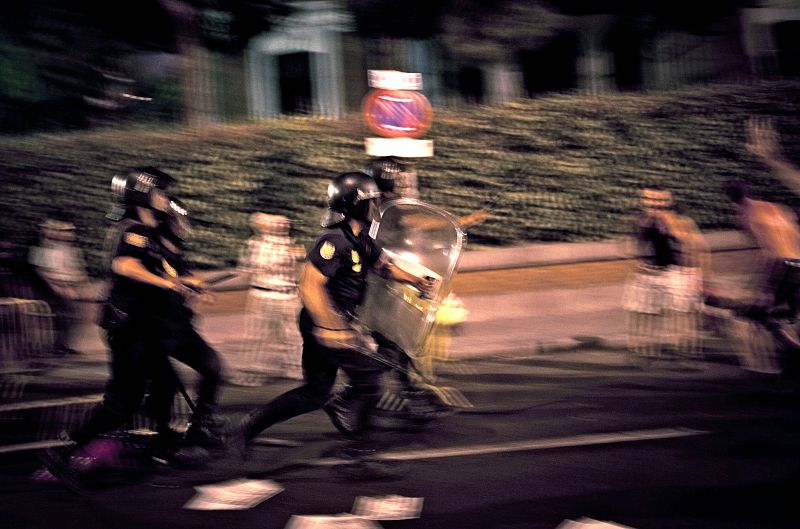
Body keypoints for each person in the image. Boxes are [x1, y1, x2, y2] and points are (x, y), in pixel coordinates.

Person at [227, 171, 434, 454]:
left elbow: (383, 266)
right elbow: (310, 284)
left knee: (315, 392)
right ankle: (360, 454)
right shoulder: (335, 241)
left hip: (332, 322)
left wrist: (416, 279)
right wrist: (330, 326)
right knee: (370, 379)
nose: (376, 207)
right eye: (371, 201)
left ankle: (248, 425)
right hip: (322, 321)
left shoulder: (362, 239)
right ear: (355, 205)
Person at [37, 168, 213, 487]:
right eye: (159, 192)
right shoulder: (133, 229)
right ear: (141, 195)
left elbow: (161, 271)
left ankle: (162, 442)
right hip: (130, 329)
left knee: (164, 384)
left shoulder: (149, 231)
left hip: (145, 327)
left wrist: (186, 283)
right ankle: (65, 451)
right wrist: (168, 284)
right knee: (123, 400)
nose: (164, 198)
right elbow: (125, 266)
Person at [621, 187, 708, 361]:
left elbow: (694, 245)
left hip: (677, 272)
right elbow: (631, 245)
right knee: (643, 311)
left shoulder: (679, 222)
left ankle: (686, 347)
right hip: (652, 273)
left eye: (661, 204)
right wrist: (637, 262)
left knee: (681, 312)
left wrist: (695, 271)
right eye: (652, 203)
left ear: (669, 204)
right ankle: (643, 347)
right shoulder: (640, 223)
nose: (656, 208)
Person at [722, 179, 800, 357]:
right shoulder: (776, 208)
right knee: (791, 310)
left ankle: (793, 348)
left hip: (783, 266)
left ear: (730, 198)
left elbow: (769, 253)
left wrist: (763, 287)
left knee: (757, 312)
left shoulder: (746, 217)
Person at [233, 212, 305, 384]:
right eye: (275, 223)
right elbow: (247, 270)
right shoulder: (255, 244)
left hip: (287, 295)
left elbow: (300, 270)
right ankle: (249, 372)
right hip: (262, 294)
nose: (281, 226)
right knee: (256, 335)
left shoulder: (293, 245)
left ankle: (295, 368)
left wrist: (296, 259)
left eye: (283, 224)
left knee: (293, 335)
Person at [28, 218, 92, 356]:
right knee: (63, 316)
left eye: (69, 231)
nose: (67, 234)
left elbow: (78, 269)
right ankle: (57, 346)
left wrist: (80, 285)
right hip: (52, 290)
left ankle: (63, 345)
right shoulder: (42, 248)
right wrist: (57, 287)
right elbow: (40, 271)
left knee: (73, 316)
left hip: (69, 287)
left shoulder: (70, 249)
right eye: (64, 231)